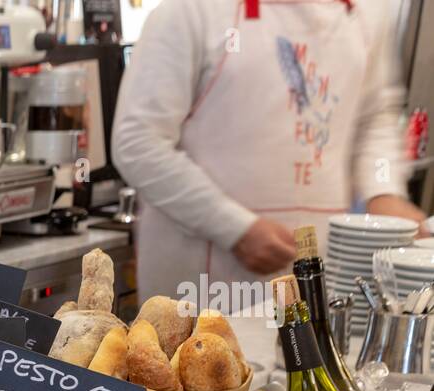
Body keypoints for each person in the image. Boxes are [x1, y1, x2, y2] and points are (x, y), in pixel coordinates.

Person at [112, 0, 430, 301]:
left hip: (317, 270)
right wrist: (234, 228)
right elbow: (138, 141)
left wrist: (383, 189)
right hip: (203, 280)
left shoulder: (366, 11)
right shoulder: (190, 11)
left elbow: (374, 116)